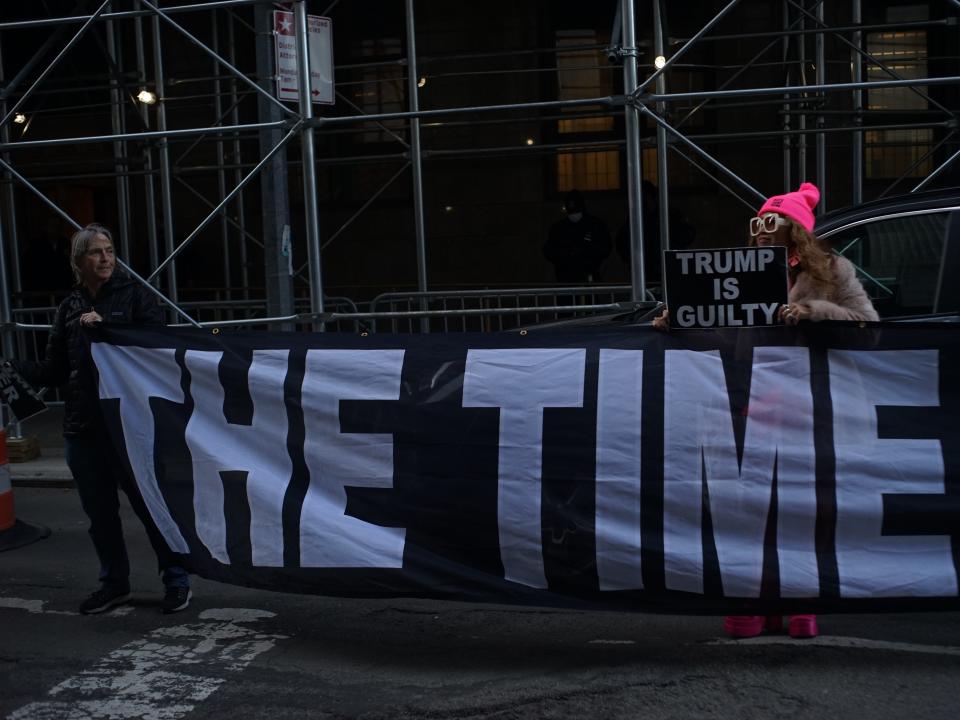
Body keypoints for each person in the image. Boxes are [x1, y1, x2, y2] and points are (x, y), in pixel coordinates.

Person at [653, 183, 878, 639]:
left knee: (801, 510)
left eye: (770, 225)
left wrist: (811, 311)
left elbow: (867, 328)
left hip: (809, 408)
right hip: (752, 408)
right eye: (756, 226)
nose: (760, 234)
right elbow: (726, 344)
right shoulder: (741, 275)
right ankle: (752, 601)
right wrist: (680, 325)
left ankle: (801, 603)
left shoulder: (835, 272)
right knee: (752, 512)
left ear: (795, 230)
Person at [12, 223, 192, 615]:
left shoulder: (135, 296)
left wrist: (108, 330)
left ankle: (177, 579)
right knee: (100, 516)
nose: (106, 258)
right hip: (82, 427)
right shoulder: (68, 308)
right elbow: (54, 371)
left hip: (130, 427)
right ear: (79, 261)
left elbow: (156, 350)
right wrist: (12, 368)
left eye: (109, 250)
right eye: (96, 252)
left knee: (151, 507)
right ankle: (115, 585)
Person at [615, 180, 696, 286]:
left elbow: (687, 235)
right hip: (645, 271)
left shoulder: (669, 214)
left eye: (642, 196)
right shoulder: (635, 218)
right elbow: (622, 241)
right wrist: (634, 260)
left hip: (668, 268)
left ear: (650, 196)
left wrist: (674, 252)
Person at [543, 189, 612, 283]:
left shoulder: (595, 225)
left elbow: (605, 248)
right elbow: (549, 251)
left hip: (587, 274)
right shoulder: (558, 228)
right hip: (566, 277)